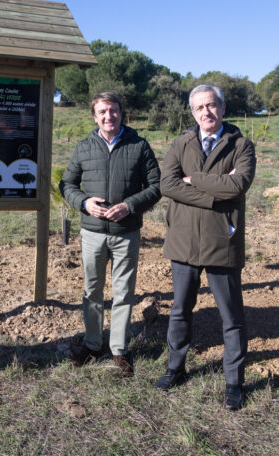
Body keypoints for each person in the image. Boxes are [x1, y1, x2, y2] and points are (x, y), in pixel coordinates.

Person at [155, 85, 256, 411]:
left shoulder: (241, 145)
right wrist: (214, 192)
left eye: (211, 106)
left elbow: (237, 184)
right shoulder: (181, 142)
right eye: (199, 108)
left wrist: (193, 179)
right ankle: (175, 367)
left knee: (232, 316)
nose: (206, 112)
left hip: (220, 240)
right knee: (180, 309)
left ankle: (233, 382)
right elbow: (167, 184)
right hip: (183, 239)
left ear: (223, 108)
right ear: (193, 112)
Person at [60, 91, 161, 376]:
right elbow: (67, 183)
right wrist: (83, 202)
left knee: (123, 292)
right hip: (92, 233)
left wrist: (129, 206)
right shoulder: (83, 148)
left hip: (125, 232)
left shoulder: (139, 146)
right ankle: (93, 343)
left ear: (121, 113)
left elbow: (156, 186)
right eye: (102, 111)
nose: (108, 116)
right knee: (92, 290)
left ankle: (119, 348)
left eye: (113, 111)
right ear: (95, 116)